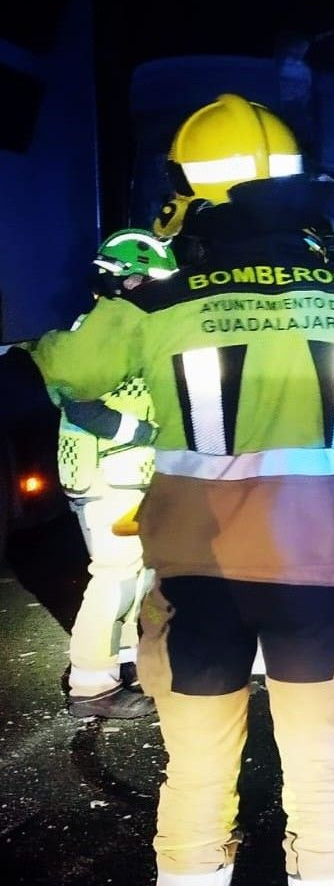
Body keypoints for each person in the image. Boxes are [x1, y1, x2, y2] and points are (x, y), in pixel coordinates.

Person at [27, 93, 334, 886]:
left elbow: (66, 371)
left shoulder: (159, 303)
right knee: (321, 774)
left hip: (199, 591)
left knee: (197, 776)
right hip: (313, 587)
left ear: (189, 197)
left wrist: (66, 315)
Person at [58, 230, 177, 720]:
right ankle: (90, 687)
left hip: (129, 474)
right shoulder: (95, 332)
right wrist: (149, 430)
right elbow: (82, 406)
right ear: (124, 281)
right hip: (105, 475)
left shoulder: (128, 327)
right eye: (151, 282)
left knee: (138, 576)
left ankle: (125, 667)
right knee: (114, 577)